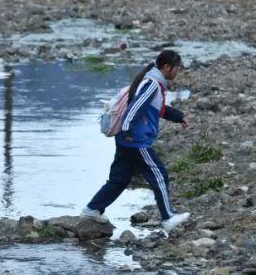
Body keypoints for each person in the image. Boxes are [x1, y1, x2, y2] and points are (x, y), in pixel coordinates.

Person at [82, 49, 191, 232]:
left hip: (127, 139)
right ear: (166, 67)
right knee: (159, 175)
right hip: (135, 140)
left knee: (119, 179)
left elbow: (158, 109)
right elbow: (135, 108)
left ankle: (92, 209)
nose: (178, 72)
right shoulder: (152, 84)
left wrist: (179, 116)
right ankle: (168, 218)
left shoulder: (152, 82)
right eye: (177, 68)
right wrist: (127, 130)